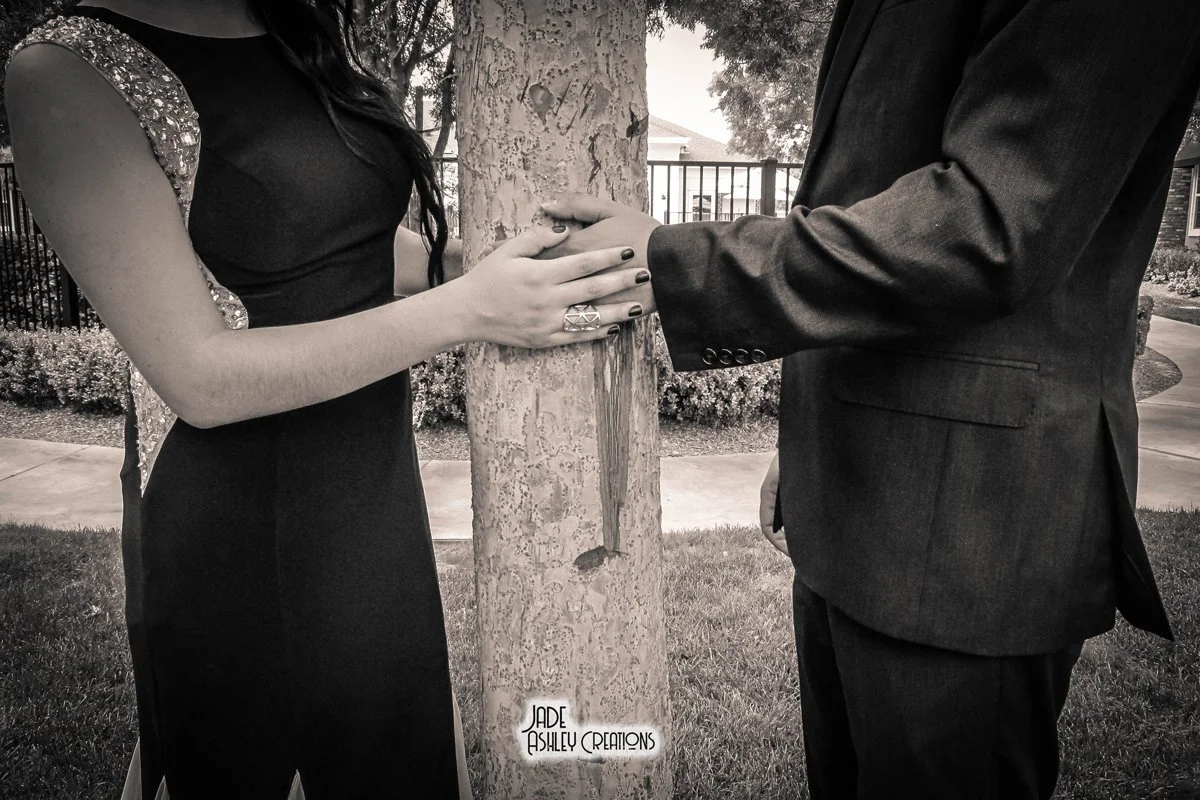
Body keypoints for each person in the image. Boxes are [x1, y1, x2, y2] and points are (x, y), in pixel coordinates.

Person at [545, 1, 1200, 797]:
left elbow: (988, 224)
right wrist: (807, 439)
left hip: (974, 534)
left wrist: (676, 264)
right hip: (851, 507)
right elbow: (864, 201)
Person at [4, 1, 648, 797]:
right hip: (235, 528)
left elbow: (356, 254)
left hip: (371, 502)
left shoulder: (286, 27)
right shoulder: (62, 71)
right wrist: (473, 309)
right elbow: (199, 377)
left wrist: (543, 268)